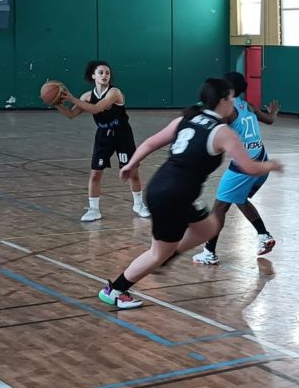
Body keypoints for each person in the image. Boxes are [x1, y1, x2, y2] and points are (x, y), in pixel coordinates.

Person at [97, 78, 282, 310]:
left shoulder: (186, 119)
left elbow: (151, 143)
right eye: (230, 98)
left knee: (209, 227)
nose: (233, 102)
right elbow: (251, 167)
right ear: (222, 100)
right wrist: (272, 165)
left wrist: (131, 164)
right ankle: (115, 290)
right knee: (156, 254)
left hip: (165, 188)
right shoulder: (222, 132)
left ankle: (169, 255)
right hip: (173, 196)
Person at [193, 71, 279, 266]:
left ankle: (209, 252)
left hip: (244, 166)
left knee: (219, 207)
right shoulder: (248, 105)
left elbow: (218, 135)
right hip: (262, 160)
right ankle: (264, 235)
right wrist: (273, 112)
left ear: (228, 89)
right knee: (239, 198)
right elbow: (270, 119)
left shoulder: (228, 110)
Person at [52, 60, 149, 222]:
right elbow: (71, 114)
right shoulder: (87, 96)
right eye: (101, 72)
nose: (105, 75)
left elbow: (96, 108)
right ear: (93, 76)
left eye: (107, 73)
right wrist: (55, 103)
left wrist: (72, 98)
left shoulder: (114, 92)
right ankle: (94, 210)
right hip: (103, 135)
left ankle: (138, 205)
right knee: (95, 173)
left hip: (122, 134)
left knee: (132, 172)